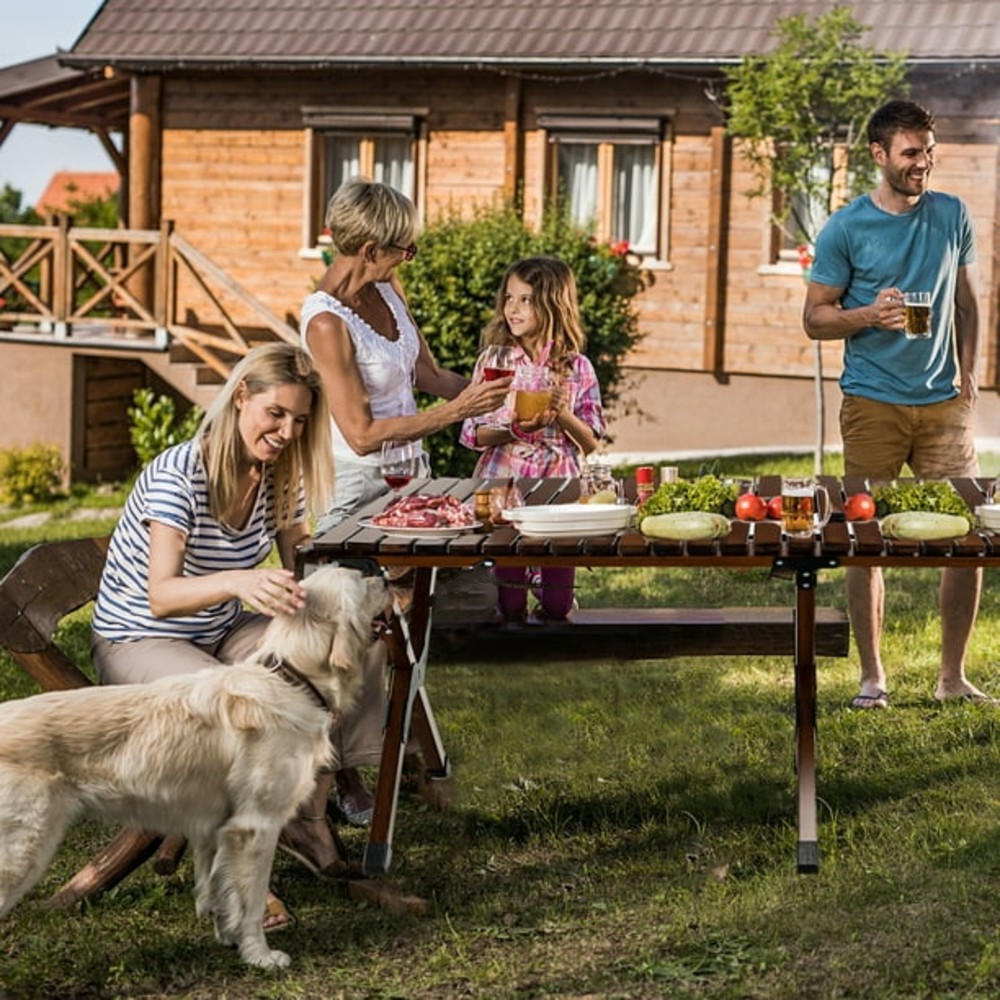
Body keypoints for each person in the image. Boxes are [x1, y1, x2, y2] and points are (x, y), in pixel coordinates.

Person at [91, 343, 344, 931]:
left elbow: (301, 560)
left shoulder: (280, 475)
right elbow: (162, 593)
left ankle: (306, 818)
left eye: (299, 419)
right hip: (139, 637)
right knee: (232, 709)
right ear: (240, 399)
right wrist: (238, 581)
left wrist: (333, 598)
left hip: (217, 631)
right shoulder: (180, 473)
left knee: (327, 660)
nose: (287, 432)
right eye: (275, 414)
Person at [299, 177, 513, 800]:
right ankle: (342, 772)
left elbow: (429, 374)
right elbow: (362, 434)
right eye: (403, 249)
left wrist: (497, 398)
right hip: (354, 491)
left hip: (408, 479)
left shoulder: (388, 292)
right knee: (352, 637)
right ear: (369, 248)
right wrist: (455, 414)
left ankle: (398, 753)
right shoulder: (325, 323)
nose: (408, 259)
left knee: (416, 620)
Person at [803, 98, 992, 708]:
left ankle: (951, 678)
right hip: (872, 403)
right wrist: (867, 315)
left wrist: (970, 371)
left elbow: (967, 301)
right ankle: (873, 678)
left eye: (929, 151)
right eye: (911, 153)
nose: (923, 163)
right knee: (864, 539)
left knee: (967, 539)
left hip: (943, 405)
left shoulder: (952, 214)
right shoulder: (846, 227)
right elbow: (815, 319)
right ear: (879, 154)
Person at [460, 255, 605, 620]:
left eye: (525, 299)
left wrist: (562, 412)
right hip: (504, 483)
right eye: (509, 298)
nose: (512, 308)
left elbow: (591, 442)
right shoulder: (495, 362)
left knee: (557, 604)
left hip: (557, 487)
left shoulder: (577, 367)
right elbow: (473, 433)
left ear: (552, 304)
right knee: (509, 603)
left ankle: (549, 612)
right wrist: (515, 430)